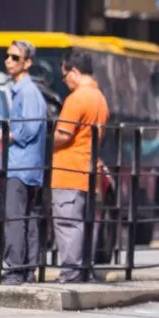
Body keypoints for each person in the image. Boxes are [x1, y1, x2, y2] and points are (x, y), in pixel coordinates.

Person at [50, 50, 110, 283]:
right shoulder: (99, 98)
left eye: (65, 77)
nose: (65, 82)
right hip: (88, 171)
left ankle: (71, 273)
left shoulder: (76, 99)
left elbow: (64, 135)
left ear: (74, 72)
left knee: (67, 223)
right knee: (83, 224)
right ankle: (83, 270)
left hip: (69, 170)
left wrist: (49, 138)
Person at [0, 40, 48, 284]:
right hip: (26, 166)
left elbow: (29, 128)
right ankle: (27, 269)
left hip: (20, 165)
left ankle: (16, 270)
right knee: (25, 218)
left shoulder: (27, 92)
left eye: (15, 57)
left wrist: (7, 134)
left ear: (27, 63)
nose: (9, 61)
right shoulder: (24, 90)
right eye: (7, 56)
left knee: (15, 219)